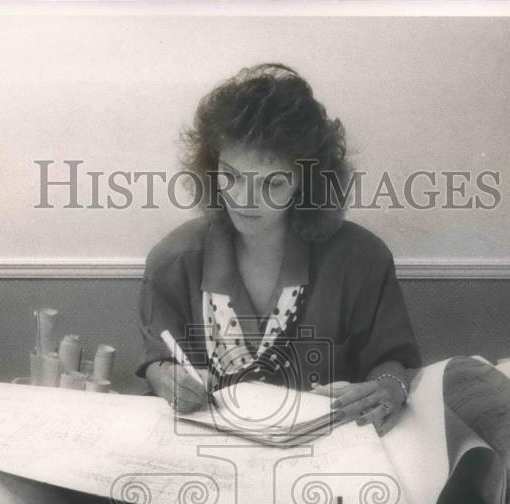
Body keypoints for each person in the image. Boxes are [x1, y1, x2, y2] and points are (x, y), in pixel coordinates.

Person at [137, 63, 421, 435]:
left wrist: (388, 389)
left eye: (272, 183)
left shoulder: (363, 259)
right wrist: (166, 379)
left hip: (328, 461)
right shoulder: (172, 261)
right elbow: (158, 359)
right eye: (231, 176)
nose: (243, 199)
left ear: (306, 181)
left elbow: (392, 362)